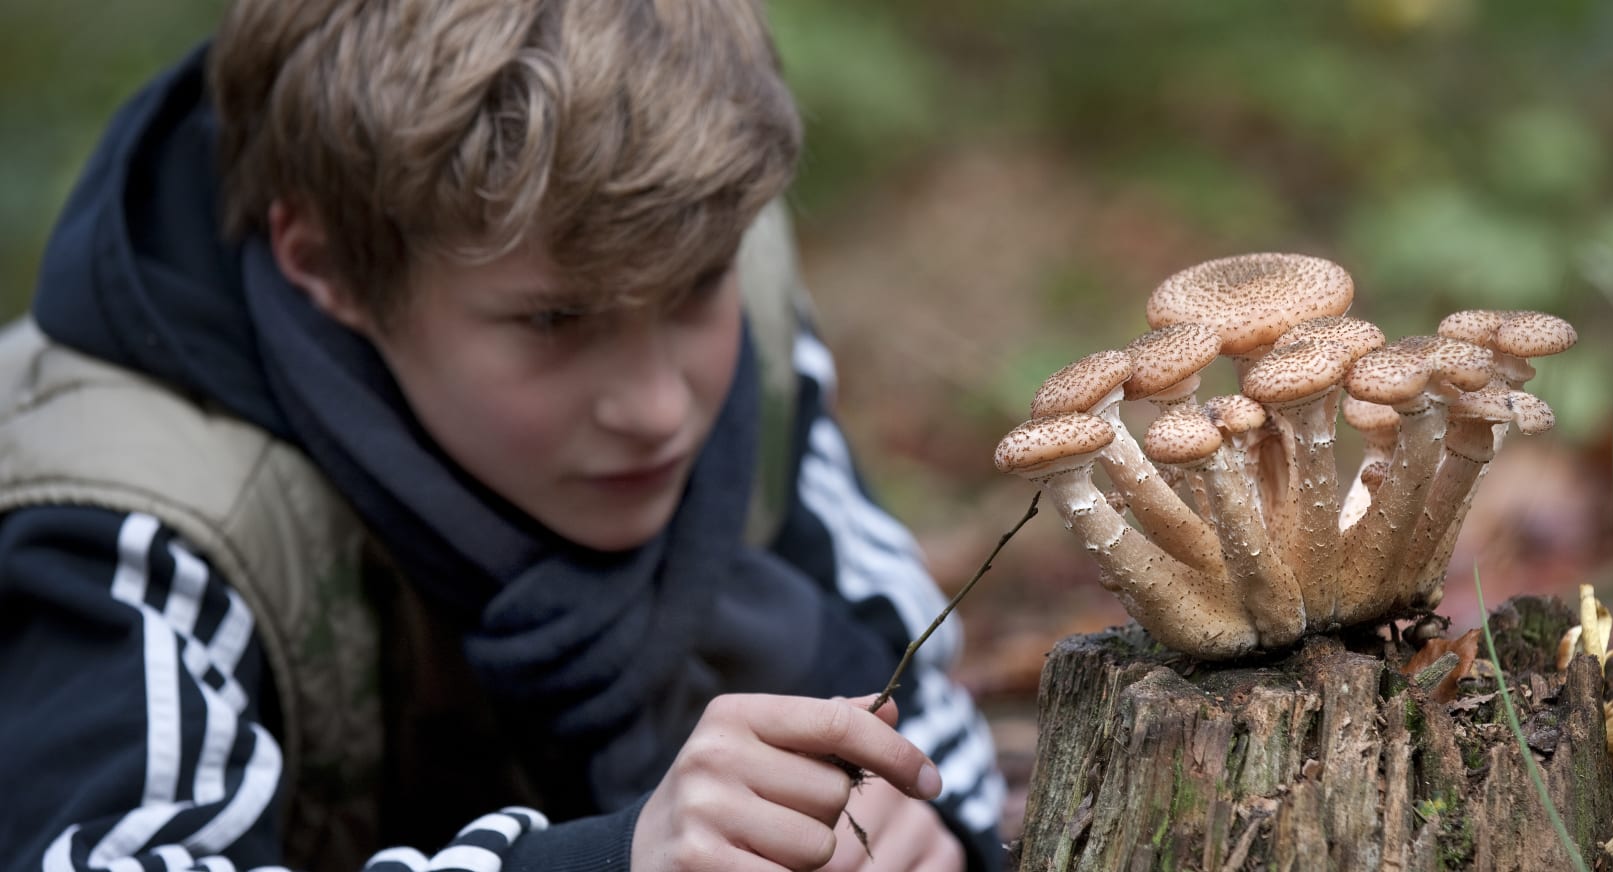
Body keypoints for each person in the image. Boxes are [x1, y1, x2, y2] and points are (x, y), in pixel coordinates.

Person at [0, 1, 1005, 870]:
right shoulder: (141, 501)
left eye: (697, 289)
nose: (658, 407)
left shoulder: (714, 262)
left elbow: (900, 654)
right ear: (325, 264)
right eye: (555, 323)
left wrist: (935, 825)